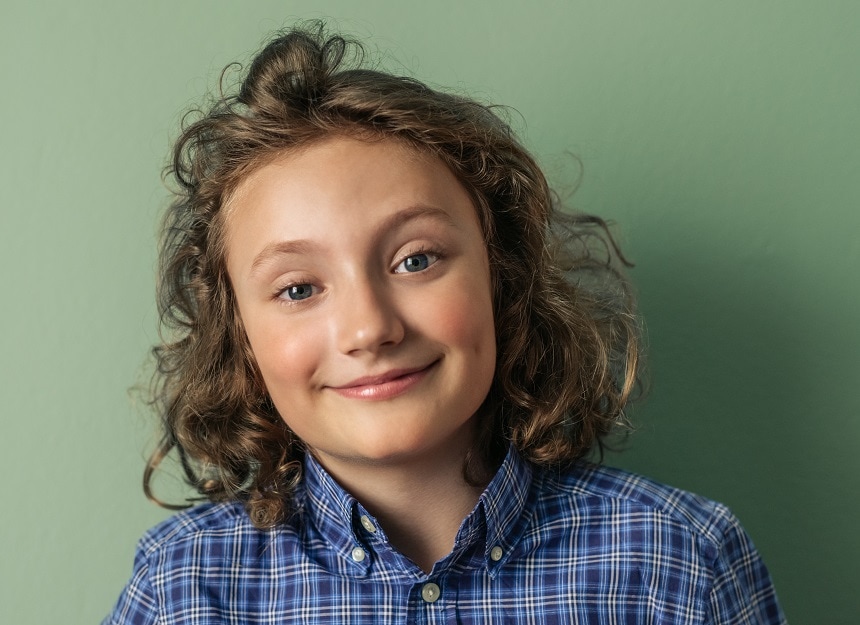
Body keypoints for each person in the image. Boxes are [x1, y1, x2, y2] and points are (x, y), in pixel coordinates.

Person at [104, 23, 786, 624]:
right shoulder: (183, 589)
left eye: (416, 258)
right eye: (299, 287)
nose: (369, 328)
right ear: (241, 339)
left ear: (500, 272)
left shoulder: (679, 561)